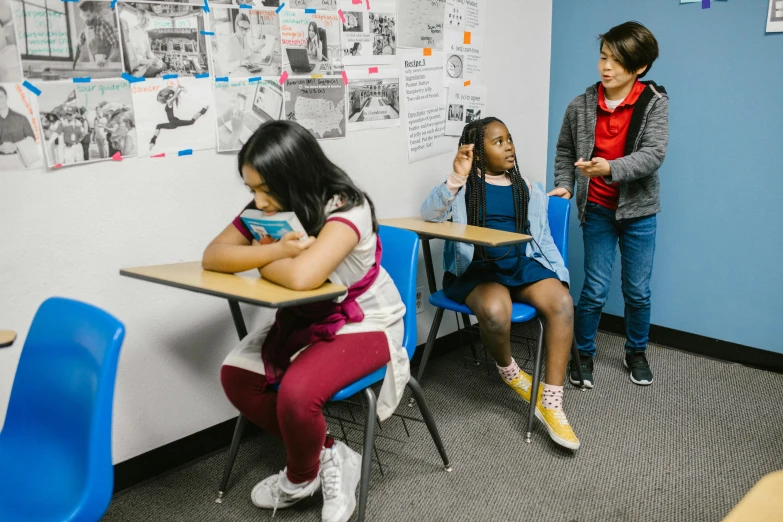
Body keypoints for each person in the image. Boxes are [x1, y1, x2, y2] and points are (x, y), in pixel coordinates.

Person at [202, 120, 408, 522]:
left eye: (264, 189)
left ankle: (300, 476)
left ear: (293, 177)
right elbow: (214, 255)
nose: (259, 202)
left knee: (297, 394)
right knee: (236, 376)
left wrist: (266, 263)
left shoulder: (348, 207)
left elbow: (301, 278)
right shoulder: (273, 208)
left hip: (367, 320)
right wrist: (278, 251)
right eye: (251, 190)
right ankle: (332, 455)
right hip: (308, 316)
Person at [421, 117, 580, 450]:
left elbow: (543, 238)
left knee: (562, 302)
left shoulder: (528, 189)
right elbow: (430, 215)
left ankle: (551, 403)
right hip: (477, 270)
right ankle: (512, 373)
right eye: (498, 141)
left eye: (509, 139)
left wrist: (558, 274)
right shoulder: (464, 187)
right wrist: (456, 177)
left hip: (518, 265)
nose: (508, 146)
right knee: (495, 311)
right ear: (477, 153)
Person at [551, 21, 668, 389]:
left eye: (617, 61)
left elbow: (653, 154)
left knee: (637, 289)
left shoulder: (654, 104)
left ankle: (636, 351)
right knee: (595, 288)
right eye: (603, 57)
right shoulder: (581, 104)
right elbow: (566, 150)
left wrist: (610, 168)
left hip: (639, 212)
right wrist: (565, 186)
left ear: (640, 67)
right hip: (598, 209)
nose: (606, 67)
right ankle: (582, 353)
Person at [149, 86, 208, 150]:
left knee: (191, 122)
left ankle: (203, 110)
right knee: (158, 126)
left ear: (164, 98)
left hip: (174, 122)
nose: (161, 103)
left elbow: (175, 95)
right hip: (172, 122)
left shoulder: (169, 102)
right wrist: (178, 87)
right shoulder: (168, 102)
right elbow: (174, 92)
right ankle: (152, 141)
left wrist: (181, 90)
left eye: (161, 101)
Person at [121, 6, 165, 77]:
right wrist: (150, 62)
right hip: (139, 67)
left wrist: (156, 59)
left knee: (162, 64)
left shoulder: (145, 33)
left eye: (148, 20)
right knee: (165, 67)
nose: (146, 22)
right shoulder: (131, 32)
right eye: (144, 19)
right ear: (138, 18)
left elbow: (148, 52)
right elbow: (132, 57)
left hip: (145, 64)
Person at [74, 2, 119, 68]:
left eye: (88, 16)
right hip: (94, 66)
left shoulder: (104, 25)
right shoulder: (86, 25)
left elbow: (117, 49)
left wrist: (108, 62)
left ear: (94, 13)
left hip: (108, 66)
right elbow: (79, 44)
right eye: (83, 16)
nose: (86, 19)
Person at [0, 86, 34, 155]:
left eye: (1, 97)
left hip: (20, 159)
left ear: (6, 97)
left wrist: (16, 146)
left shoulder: (21, 118)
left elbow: (32, 139)